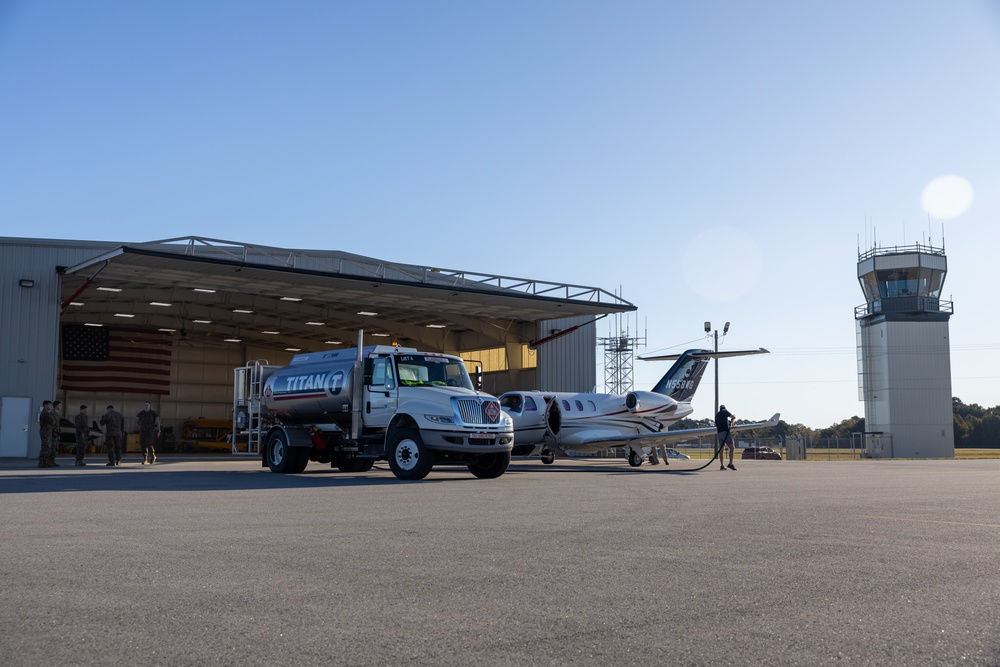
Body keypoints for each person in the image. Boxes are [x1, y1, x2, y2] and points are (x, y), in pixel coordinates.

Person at [38, 400, 59, 468]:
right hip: (45, 432)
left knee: (48, 447)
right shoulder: (45, 413)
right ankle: (41, 462)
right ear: (45, 405)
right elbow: (53, 421)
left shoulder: (48, 413)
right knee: (45, 447)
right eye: (49, 405)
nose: (50, 406)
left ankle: (45, 462)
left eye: (50, 405)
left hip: (48, 432)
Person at [716, 404, 737, 471]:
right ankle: (730, 463)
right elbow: (733, 417)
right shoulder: (725, 412)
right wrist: (733, 420)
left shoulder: (717, 415)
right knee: (732, 447)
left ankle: (722, 465)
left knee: (721, 449)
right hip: (725, 432)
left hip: (719, 433)